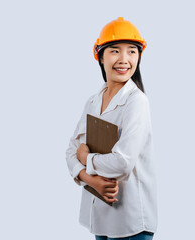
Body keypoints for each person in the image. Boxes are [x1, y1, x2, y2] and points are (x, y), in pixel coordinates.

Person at [66, 17, 157, 240]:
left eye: (132, 51)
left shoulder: (137, 101)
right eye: (115, 51)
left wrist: (86, 158)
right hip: (100, 217)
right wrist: (93, 181)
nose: (124, 59)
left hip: (131, 221)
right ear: (100, 56)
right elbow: (70, 152)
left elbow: (122, 163)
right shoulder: (93, 101)